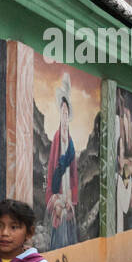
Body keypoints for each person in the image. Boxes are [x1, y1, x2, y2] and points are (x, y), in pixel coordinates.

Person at [45, 73, 78, 248]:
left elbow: (73, 175)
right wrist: (56, 197)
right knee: (58, 233)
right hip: (58, 194)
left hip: (67, 195)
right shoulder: (57, 139)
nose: (64, 117)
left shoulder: (70, 144)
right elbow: (52, 171)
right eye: (62, 113)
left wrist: (70, 196)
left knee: (69, 232)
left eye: (66, 114)